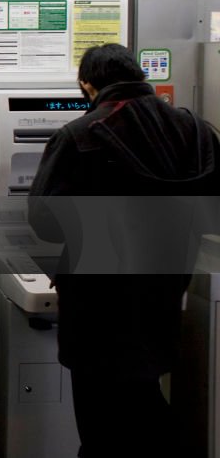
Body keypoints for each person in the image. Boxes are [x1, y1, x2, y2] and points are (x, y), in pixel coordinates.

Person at [28, 43, 220, 457]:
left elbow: (44, 219)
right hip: (163, 295)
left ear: (88, 84)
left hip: (96, 306)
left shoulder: (80, 135)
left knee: (102, 425)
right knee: (141, 399)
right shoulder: (196, 132)